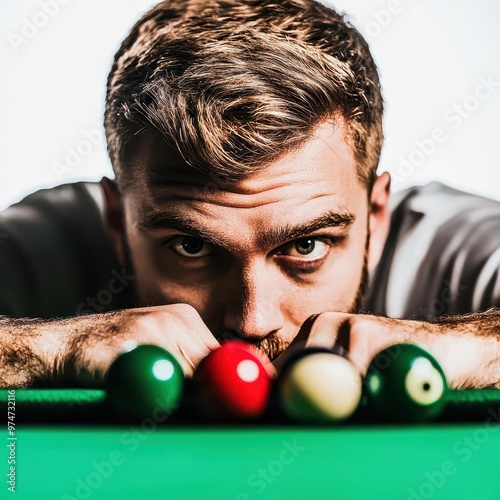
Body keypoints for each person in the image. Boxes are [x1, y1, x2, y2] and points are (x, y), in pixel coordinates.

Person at [0, 0, 499, 389]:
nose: (251, 321)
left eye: (306, 246)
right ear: (116, 221)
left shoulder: (456, 248)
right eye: (191, 247)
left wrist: (453, 344)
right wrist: (48, 347)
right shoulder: (45, 243)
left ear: (376, 214)